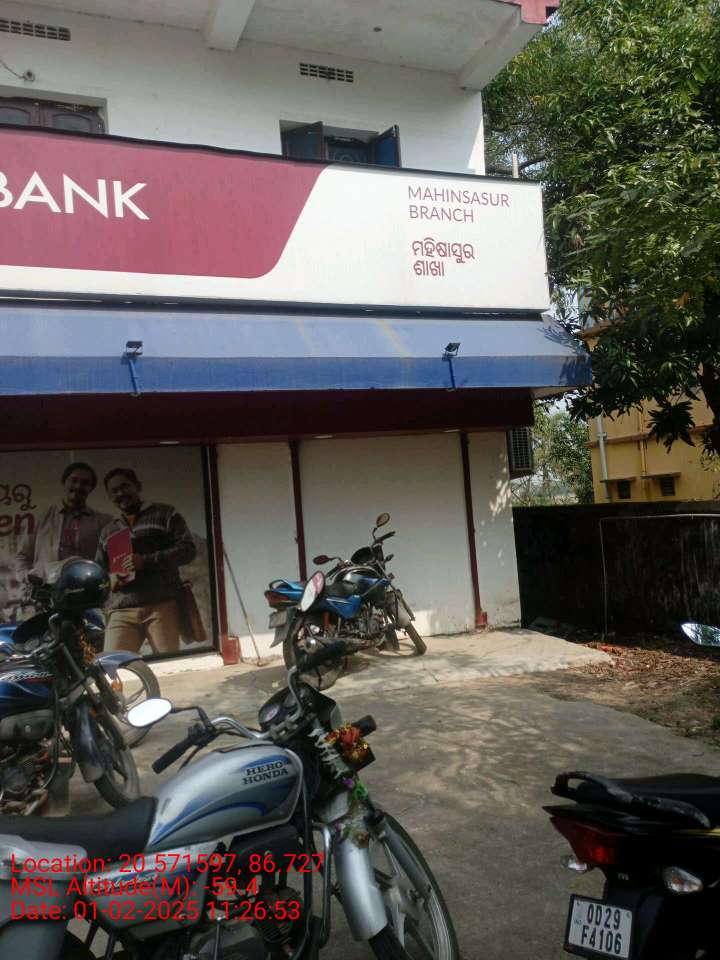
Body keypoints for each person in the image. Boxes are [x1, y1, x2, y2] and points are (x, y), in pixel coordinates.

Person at [96, 468, 196, 655]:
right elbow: (99, 571)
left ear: (138, 486)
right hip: (121, 611)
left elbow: (188, 550)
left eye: (125, 487)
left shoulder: (166, 514)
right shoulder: (108, 531)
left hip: (161, 607)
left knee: (168, 664)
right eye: (114, 491)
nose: (120, 493)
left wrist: (146, 561)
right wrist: (111, 579)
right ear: (110, 497)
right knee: (112, 665)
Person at [16, 462, 112, 583]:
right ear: (64, 482)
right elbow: (23, 556)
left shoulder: (103, 522)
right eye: (74, 480)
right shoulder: (41, 518)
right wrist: (27, 577)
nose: (78, 486)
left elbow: (110, 561)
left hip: (88, 589)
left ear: (91, 488)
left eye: (85, 483)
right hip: (47, 590)